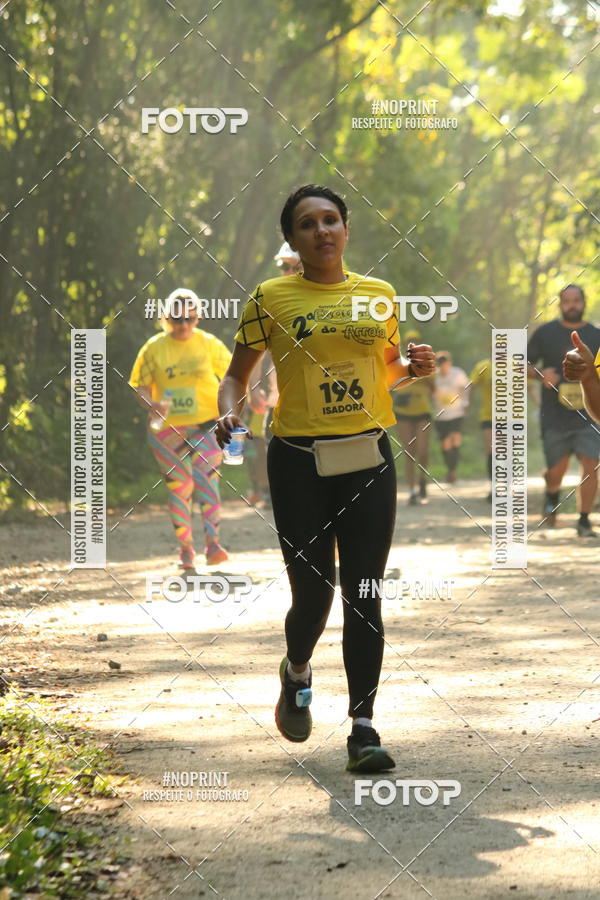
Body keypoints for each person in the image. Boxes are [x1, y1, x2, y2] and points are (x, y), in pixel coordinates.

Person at [216, 184, 436, 773]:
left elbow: (386, 372)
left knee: (364, 592)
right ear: (292, 239)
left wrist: (413, 368)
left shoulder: (379, 295)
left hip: (367, 455)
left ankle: (363, 729)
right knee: (313, 598)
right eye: (308, 223)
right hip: (298, 462)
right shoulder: (270, 297)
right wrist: (228, 411)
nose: (322, 230)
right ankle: (296, 674)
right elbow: (236, 377)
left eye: (331, 219)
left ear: (346, 228)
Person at [129, 288, 231, 570]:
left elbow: (233, 375)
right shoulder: (153, 348)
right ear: (166, 318)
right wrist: (151, 404)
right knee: (180, 487)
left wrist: (231, 409)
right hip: (167, 430)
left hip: (207, 425)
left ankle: (213, 544)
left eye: (189, 318)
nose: (183, 325)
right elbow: (139, 386)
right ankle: (186, 549)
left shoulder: (209, 344)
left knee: (207, 481)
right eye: (177, 319)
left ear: (198, 317)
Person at [527, 284, 600, 536]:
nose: (572, 305)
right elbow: (519, 364)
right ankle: (551, 496)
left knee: (591, 464)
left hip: (590, 414)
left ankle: (584, 520)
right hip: (554, 414)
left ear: (584, 302)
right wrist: (540, 374)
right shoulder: (545, 333)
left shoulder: (596, 335)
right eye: (567, 301)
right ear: (560, 304)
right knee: (556, 469)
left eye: (576, 300)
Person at [245, 244, 299, 505]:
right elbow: (256, 349)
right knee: (277, 457)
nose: (287, 272)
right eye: (283, 266)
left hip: (320, 403)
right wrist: (254, 387)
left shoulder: (330, 295)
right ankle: (275, 496)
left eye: (294, 266)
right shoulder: (270, 300)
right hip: (279, 402)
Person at [392, 328, 433, 504]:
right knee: (409, 452)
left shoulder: (427, 362)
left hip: (422, 412)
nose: (413, 345)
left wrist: (422, 371)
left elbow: (434, 387)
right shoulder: (398, 364)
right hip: (403, 413)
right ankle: (411, 490)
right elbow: (390, 384)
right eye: (410, 342)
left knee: (422, 451)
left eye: (415, 341)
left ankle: (422, 480)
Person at [432, 351, 469, 483]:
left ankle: (453, 471)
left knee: (455, 439)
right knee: (445, 443)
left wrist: (465, 403)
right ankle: (450, 469)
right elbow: (429, 391)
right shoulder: (433, 376)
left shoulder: (458, 373)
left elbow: (465, 388)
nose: (443, 368)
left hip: (456, 412)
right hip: (440, 414)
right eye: (440, 365)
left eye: (445, 364)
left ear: (449, 363)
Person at [469, 358, 493, 501]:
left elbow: (529, 386)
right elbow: (472, 385)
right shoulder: (483, 366)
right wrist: (468, 404)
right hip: (488, 416)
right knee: (491, 450)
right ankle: (494, 486)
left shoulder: (515, 364)